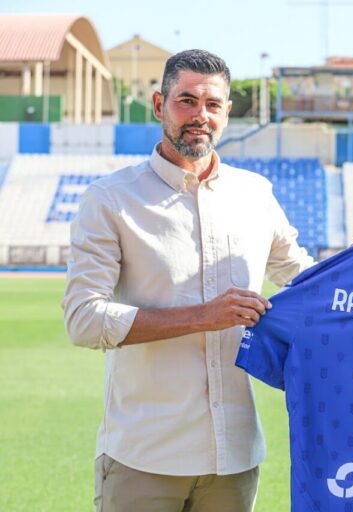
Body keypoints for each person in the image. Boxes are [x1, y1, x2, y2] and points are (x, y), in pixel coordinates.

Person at [62, 49, 313, 512]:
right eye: (187, 101)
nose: (201, 115)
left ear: (227, 112)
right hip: (144, 457)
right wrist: (203, 316)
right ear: (159, 105)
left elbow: (304, 277)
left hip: (235, 459)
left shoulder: (255, 194)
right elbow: (83, 319)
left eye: (213, 104)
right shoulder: (110, 199)